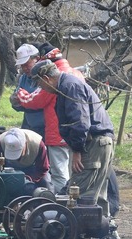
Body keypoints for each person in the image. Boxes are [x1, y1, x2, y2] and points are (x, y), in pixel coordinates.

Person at [30, 59, 115, 216]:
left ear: (46, 79)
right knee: (97, 196)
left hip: (94, 143)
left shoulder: (69, 87)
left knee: (79, 194)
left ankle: (82, 237)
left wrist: (77, 150)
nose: (42, 89)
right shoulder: (67, 85)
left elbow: (79, 121)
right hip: (102, 142)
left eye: (41, 85)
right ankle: (105, 236)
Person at [15, 43, 84, 192]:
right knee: (75, 172)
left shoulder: (53, 78)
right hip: (76, 132)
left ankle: (60, 205)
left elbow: (36, 100)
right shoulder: (74, 73)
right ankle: (74, 202)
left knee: (59, 174)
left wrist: (20, 94)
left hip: (56, 131)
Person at [0, 128, 53, 194]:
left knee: (47, 185)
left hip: (33, 170)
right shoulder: (0, 143)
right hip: (8, 170)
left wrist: (30, 180)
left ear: (25, 144)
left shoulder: (38, 144)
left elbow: (43, 168)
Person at [10, 44, 45, 139]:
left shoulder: (46, 78)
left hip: (46, 127)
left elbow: (41, 101)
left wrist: (25, 101)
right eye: (22, 66)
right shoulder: (23, 78)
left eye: (26, 64)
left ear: (37, 59)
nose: (25, 68)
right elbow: (17, 100)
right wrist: (16, 102)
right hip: (29, 126)